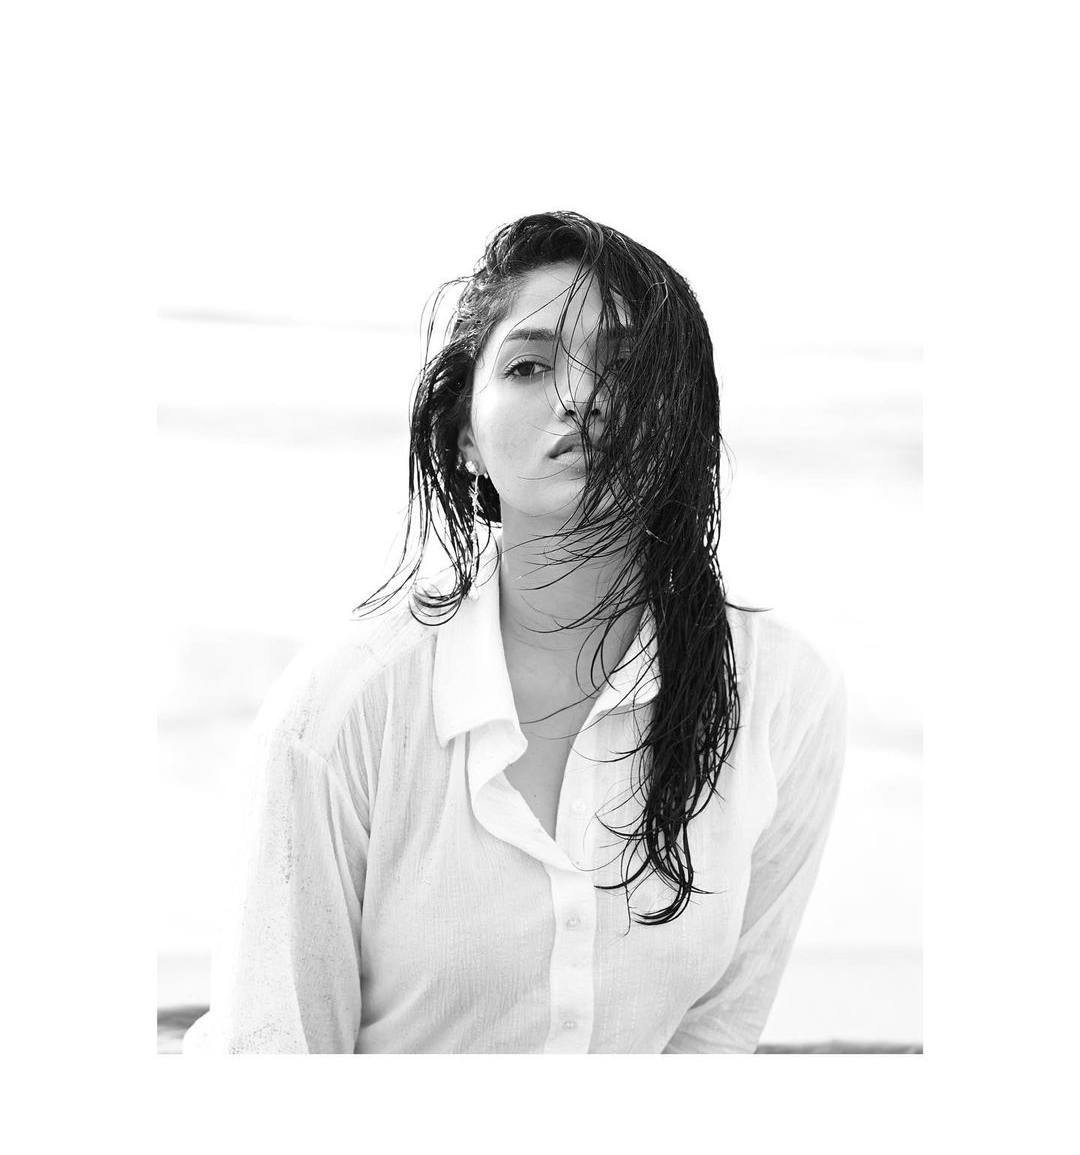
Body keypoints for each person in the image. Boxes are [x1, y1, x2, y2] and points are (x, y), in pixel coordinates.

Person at [182, 211, 846, 1055]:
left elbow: (716, 1035)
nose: (580, 397)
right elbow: (273, 1052)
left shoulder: (783, 691)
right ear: (467, 435)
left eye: (627, 366)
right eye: (529, 367)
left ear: (684, 414)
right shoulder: (344, 708)